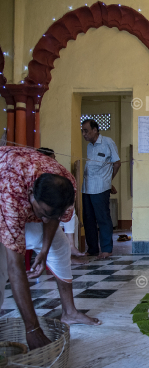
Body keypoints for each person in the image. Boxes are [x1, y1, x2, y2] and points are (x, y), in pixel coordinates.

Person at [0, 147, 101, 350]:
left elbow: (52, 217)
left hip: (25, 193)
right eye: (42, 213)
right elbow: (15, 266)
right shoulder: (11, 191)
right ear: (31, 194)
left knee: (60, 245)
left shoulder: (67, 184)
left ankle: (70, 312)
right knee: (2, 265)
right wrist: (33, 330)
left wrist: (44, 250)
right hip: (4, 192)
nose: (44, 220)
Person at [37, 147, 86, 261]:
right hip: (41, 210)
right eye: (52, 159)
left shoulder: (58, 174)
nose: (55, 162)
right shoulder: (36, 172)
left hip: (55, 210)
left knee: (70, 210)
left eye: (55, 158)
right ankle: (62, 250)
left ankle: (71, 245)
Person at [81, 119, 121, 260]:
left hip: (101, 187)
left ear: (95, 130)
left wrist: (109, 181)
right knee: (88, 219)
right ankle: (92, 249)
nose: (84, 134)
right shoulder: (89, 146)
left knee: (103, 218)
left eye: (86, 131)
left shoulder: (107, 142)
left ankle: (106, 249)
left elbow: (116, 163)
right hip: (86, 187)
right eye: (82, 131)